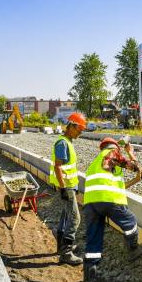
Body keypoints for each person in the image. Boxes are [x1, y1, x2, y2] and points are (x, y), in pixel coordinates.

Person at [82, 137, 142, 282]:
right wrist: (130, 153)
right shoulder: (111, 153)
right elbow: (135, 167)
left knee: (93, 241)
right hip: (108, 200)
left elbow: (114, 183)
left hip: (91, 203)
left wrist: (133, 180)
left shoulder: (94, 163)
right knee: (130, 222)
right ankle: (133, 250)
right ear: (115, 148)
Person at [49, 112, 87, 265]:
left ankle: (62, 246)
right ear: (72, 126)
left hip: (69, 186)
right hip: (66, 187)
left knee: (65, 216)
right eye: (80, 129)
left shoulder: (68, 142)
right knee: (75, 218)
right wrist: (64, 188)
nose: (81, 132)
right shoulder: (62, 143)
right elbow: (58, 167)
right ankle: (66, 253)